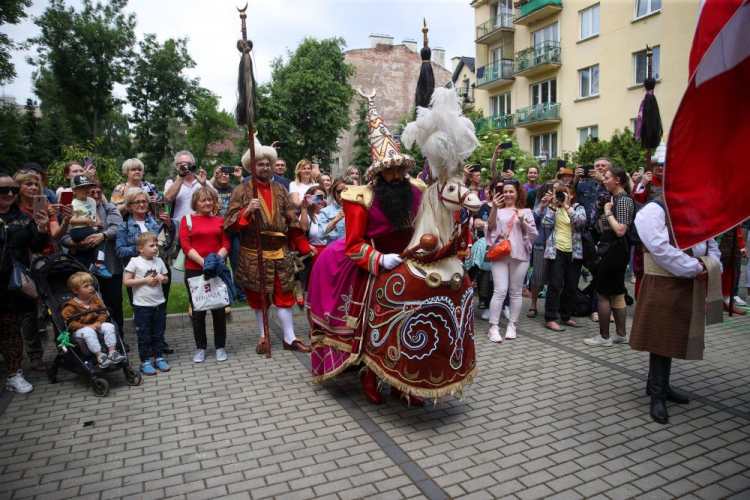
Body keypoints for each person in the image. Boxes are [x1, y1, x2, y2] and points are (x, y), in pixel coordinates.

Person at [629, 197, 721, 424]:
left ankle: (659, 386)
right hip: (663, 282)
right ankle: (657, 395)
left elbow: (711, 244)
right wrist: (694, 266)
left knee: (672, 335)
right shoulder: (654, 209)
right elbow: (660, 249)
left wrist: (710, 264)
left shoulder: (696, 210)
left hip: (686, 281)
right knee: (660, 337)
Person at [224, 144, 315, 354]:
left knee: (285, 295)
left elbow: (292, 222)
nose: (265, 168)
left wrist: (304, 246)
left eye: (268, 164)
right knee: (259, 298)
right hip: (253, 254)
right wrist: (247, 211)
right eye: (260, 164)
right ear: (251, 167)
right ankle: (264, 337)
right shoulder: (241, 191)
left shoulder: (281, 190)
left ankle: (290, 338)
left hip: (280, 253)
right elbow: (229, 224)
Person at [13, 168, 71, 370]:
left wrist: (65, 220)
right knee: (30, 311)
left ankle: (64, 349)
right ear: (18, 187)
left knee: (57, 305)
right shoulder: (13, 209)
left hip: (48, 260)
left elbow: (55, 234)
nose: (33, 187)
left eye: (36, 184)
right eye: (27, 184)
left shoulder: (45, 206)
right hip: (24, 263)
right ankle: (35, 355)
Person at [0, 173, 49, 394]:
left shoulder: (21, 217)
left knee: (11, 331)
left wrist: (41, 228)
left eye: (13, 190)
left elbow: (37, 246)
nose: (10, 194)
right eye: (3, 190)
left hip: (13, 282)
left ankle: (13, 374)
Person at [61, 181, 125, 339]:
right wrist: (77, 243)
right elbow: (64, 237)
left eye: (98, 190)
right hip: (83, 266)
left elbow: (118, 228)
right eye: (92, 190)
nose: (94, 193)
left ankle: (118, 338)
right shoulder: (73, 208)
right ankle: (91, 340)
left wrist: (101, 235)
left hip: (109, 264)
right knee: (86, 305)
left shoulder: (108, 207)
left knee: (113, 303)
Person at [116, 188, 176, 354]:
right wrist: (141, 251)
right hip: (137, 274)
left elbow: (170, 242)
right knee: (141, 310)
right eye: (138, 202)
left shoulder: (156, 221)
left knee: (160, 307)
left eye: (144, 201)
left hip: (160, 269)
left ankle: (159, 341)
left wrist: (169, 224)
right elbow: (120, 250)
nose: (142, 204)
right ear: (129, 205)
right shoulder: (124, 226)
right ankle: (146, 342)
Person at [583, 168, 635, 347]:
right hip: (611, 250)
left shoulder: (624, 201)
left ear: (617, 180)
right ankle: (621, 334)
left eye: (607, 178)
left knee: (602, 293)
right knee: (617, 293)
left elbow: (620, 230)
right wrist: (600, 210)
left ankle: (604, 337)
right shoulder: (614, 200)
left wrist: (608, 211)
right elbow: (603, 227)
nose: (604, 181)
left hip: (616, 251)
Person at [180, 188, 231, 363]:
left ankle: (220, 347)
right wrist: (204, 263)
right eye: (203, 200)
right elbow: (186, 245)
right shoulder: (187, 220)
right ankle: (201, 348)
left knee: (218, 309)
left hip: (217, 269)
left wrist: (215, 262)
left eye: (210, 200)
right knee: (198, 311)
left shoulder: (220, 220)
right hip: (195, 270)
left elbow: (226, 243)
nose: (207, 203)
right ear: (196, 203)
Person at [485, 179, 537, 342]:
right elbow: (490, 228)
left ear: (517, 193)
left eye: (511, 191)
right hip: (500, 254)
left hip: (520, 254)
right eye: (505, 191)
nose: (507, 194)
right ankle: (493, 327)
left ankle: (512, 324)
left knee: (515, 291)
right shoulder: (497, 210)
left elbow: (534, 234)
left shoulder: (526, 211)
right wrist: (494, 207)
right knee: (500, 290)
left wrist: (523, 222)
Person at [541, 185, 587, 331]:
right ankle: (550, 318)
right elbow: (545, 224)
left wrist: (567, 206)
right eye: (558, 194)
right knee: (554, 285)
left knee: (571, 285)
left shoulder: (578, 208)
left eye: (564, 193)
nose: (560, 196)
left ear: (571, 195)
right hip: (556, 251)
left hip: (574, 252)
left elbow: (580, 222)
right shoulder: (553, 208)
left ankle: (566, 316)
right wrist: (553, 208)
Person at [123, 232, 170, 376]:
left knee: (158, 333)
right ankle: (145, 361)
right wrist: (145, 280)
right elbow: (127, 281)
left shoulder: (159, 261)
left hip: (159, 304)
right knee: (144, 335)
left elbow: (167, 279)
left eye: (156, 245)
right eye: (152, 246)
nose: (156, 248)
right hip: (142, 306)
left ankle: (159, 357)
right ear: (140, 249)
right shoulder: (134, 262)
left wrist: (163, 278)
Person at [61, 272, 126, 368]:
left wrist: (99, 321)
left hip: (96, 324)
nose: (91, 288)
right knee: (88, 331)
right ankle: (100, 356)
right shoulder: (70, 306)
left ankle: (113, 352)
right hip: (80, 330)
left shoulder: (95, 299)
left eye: (91, 285)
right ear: (75, 291)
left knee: (109, 326)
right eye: (86, 286)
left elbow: (103, 312)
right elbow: (70, 323)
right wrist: (87, 326)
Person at [575, 157, 611, 321]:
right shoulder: (584, 185)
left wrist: (603, 180)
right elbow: (568, 193)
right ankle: (573, 306)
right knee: (574, 271)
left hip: (600, 233)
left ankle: (597, 309)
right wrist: (576, 178)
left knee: (600, 272)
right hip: (582, 232)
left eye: (603, 166)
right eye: (596, 165)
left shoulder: (611, 184)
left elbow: (622, 193)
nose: (599, 168)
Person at [210, 165, 247, 305]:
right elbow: (202, 189)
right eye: (221, 173)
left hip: (234, 231)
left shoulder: (235, 190)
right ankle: (223, 294)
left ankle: (241, 295)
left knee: (237, 264)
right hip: (217, 231)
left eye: (227, 174)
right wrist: (214, 176)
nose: (225, 176)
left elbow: (249, 190)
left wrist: (239, 177)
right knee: (219, 263)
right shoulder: (212, 190)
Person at [68, 175, 112, 277]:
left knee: (95, 245)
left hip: (90, 228)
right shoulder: (73, 204)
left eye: (88, 186)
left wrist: (98, 220)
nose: (87, 189)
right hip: (78, 231)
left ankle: (93, 266)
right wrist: (85, 221)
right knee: (100, 239)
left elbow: (94, 211)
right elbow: (70, 220)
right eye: (83, 187)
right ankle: (99, 265)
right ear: (74, 190)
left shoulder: (91, 200)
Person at [527, 181, 555, 319]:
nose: (550, 194)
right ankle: (533, 305)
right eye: (548, 191)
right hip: (540, 245)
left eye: (553, 191)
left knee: (555, 279)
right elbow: (531, 221)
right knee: (537, 277)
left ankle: (553, 307)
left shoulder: (561, 205)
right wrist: (542, 207)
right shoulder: (540, 205)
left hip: (556, 246)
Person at [164, 150, 214, 224]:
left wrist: (204, 184)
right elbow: (168, 199)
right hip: (180, 226)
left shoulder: (202, 181)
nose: (187, 166)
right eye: (184, 164)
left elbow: (216, 199)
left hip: (204, 225)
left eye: (190, 163)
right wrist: (181, 175)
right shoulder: (171, 182)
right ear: (177, 167)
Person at [298, 185, 328, 290]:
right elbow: (304, 228)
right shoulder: (307, 214)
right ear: (311, 199)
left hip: (330, 253)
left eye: (324, 197)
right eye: (318, 197)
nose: (322, 200)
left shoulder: (331, 213)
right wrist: (304, 208)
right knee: (316, 287)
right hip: (315, 255)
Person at [318, 176, 352, 244]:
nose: (343, 194)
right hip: (335, 251)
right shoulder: (325, 211)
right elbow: (320, 235)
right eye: (339, 191)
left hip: (354, 251)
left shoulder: (358, 209)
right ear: (334, 191)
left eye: (346, 191)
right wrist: (336, 219)